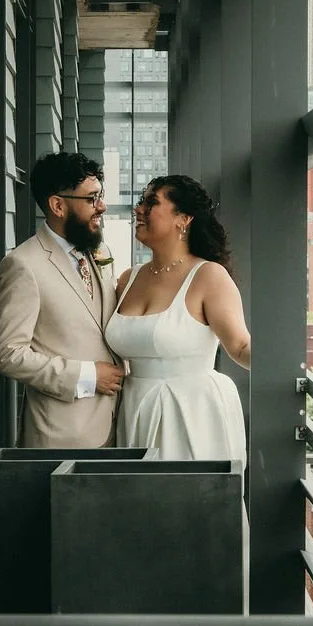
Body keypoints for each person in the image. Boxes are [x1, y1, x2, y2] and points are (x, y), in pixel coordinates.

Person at [107, 175, 250, 465]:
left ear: (183, 219)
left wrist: (286, 358)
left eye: (151, 203)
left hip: (193, 413)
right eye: (140, 202)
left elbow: (240, 346)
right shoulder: (127, 278)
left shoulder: (209, 276)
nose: (139, 210)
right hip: (134, 408)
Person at [0, 152, 123, 447]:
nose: (101, 206)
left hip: (117, 426)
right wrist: (87, 375)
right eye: (91, 199)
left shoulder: (98, 252)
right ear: (58, 205)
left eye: (99, 196)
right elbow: (8, 354)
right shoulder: (23, 265)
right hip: (61, 436)